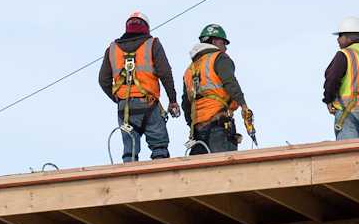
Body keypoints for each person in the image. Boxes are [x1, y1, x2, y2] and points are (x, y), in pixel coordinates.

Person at [96, 10, 179, 161]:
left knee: (130, 151)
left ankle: (129, 181)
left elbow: (103, 80)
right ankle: (162, 178)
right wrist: (172, 100)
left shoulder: (112, 49)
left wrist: (118, 98)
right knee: (159, 146)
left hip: (125, 107)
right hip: (148, 104)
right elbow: (165, 73)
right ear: (146, 28)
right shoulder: (152, 44)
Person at [182, 25, 250, 155]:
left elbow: (186, 103)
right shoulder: (220, 58)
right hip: (218, 126)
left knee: (200, 173)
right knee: (223, 170)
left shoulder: (189, 70)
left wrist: (193, 125)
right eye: (223, 42)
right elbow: (230, 82)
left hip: (198, 131)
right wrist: (244, 105)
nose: (225, 47)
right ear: (213, 42)